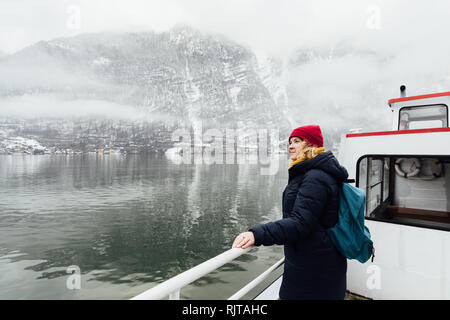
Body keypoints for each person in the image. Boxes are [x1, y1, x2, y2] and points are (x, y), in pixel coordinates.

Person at [232, 124, 349, 300]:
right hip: (315, 260)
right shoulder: (313, 172)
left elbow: (300, 223)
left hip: (313, 267)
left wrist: (257, 234)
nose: (291, 146)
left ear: (311, 145)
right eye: (290, 142)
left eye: (297, 141)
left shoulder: (315, 176)